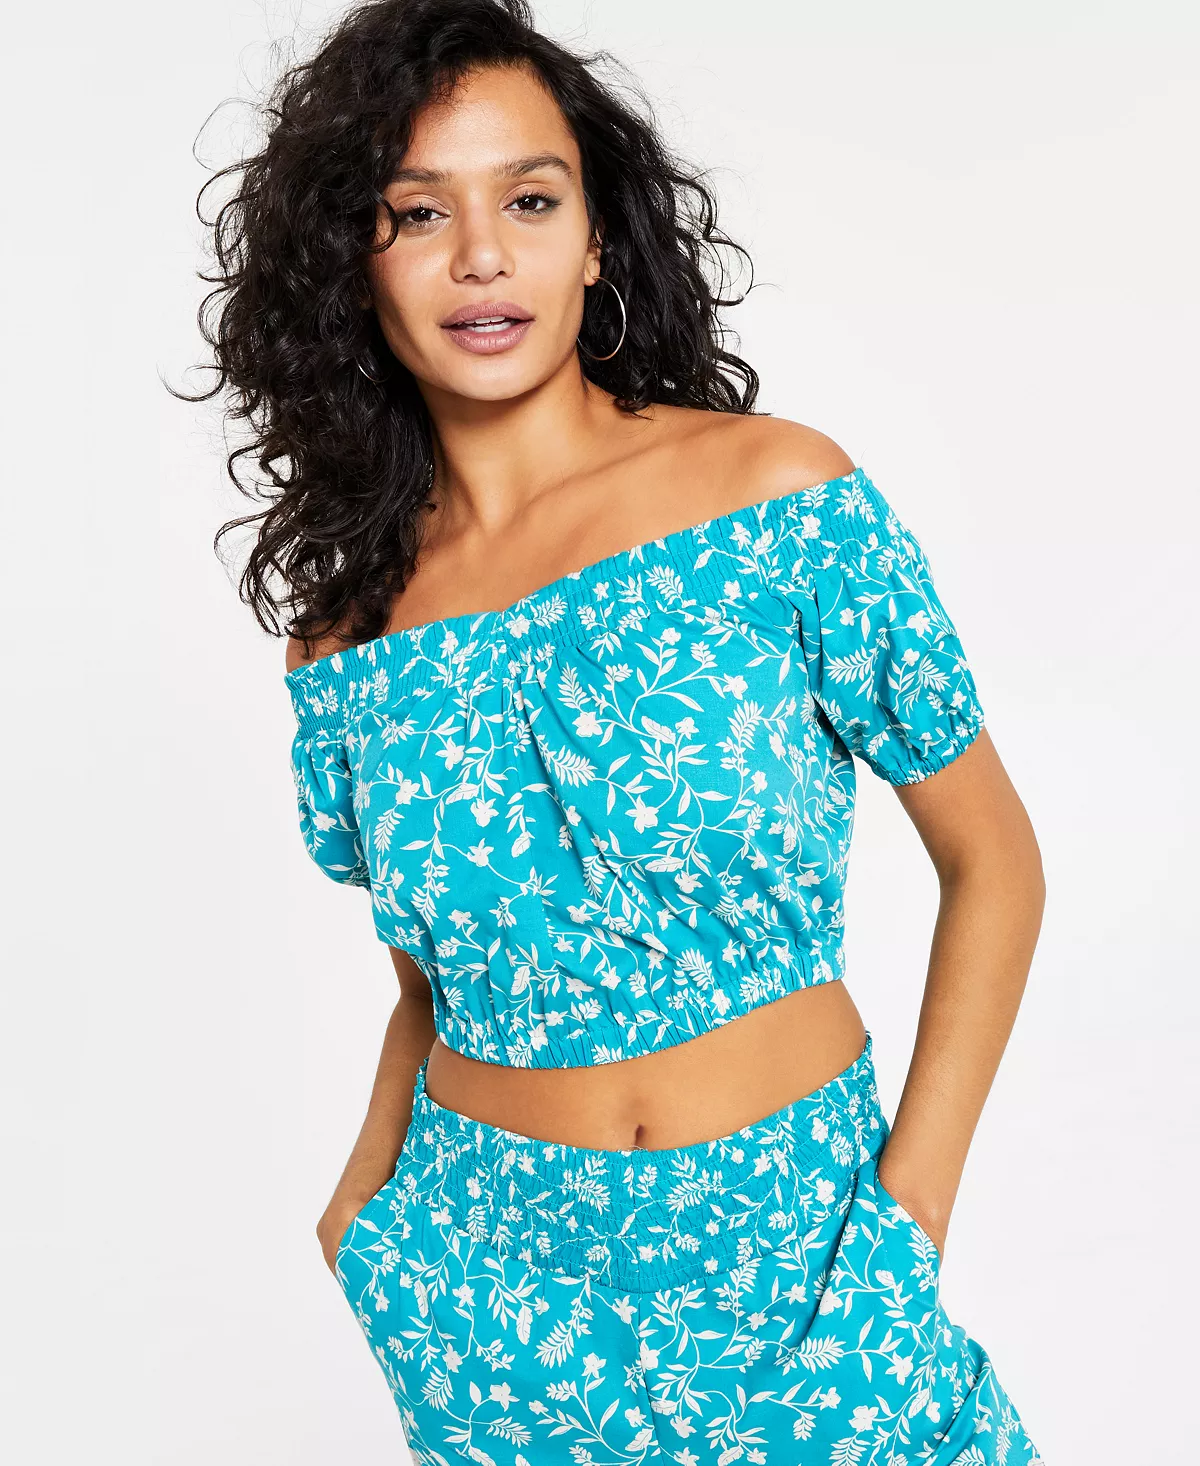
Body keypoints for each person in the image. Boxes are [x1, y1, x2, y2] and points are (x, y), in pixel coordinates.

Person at [190, 1, 1047, 1460]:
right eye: (419, 212)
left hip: (809, 1270)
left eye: (530, 200)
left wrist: (909, 1220)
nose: (482, 256)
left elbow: (995, 861)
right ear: (354, 259)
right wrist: (365, 1212)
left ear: (596, 236)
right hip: (492, 1314)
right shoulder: (349, 638)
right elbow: (435, 981)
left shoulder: (772, 500)